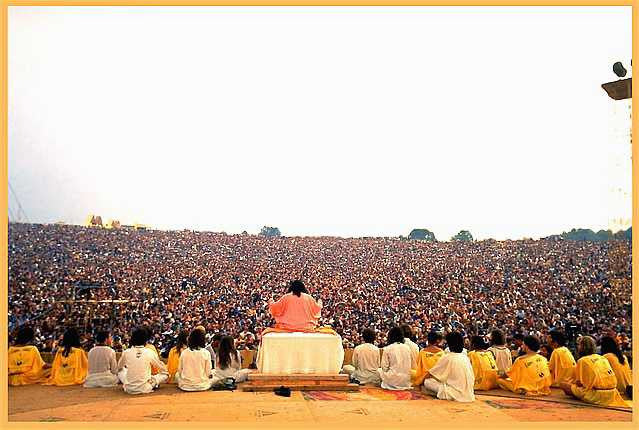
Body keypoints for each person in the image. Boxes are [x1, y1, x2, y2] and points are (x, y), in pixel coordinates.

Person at [560, 335, 629, 407]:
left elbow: (580, 383)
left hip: (598, 395)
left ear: (581, 347)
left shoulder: (582, 360)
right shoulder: (602, 358)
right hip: (613, 392)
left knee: (564, 384)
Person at [422, 331, 475, 402]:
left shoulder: (447, 357)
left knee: (428, 382)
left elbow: (430, 374)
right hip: (469, 394)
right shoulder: (465, 357)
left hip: (453, 393)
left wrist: (421, 382)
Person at [117, 327, 169, 394]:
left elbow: (119, 368)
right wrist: (153, 378)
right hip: (146, 387)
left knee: (121, 371)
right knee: (165, 374)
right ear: (145, 340)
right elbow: (163, 370)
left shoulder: (126, 352)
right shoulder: (149, 352)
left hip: (129, 388)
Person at [378, 326, 415, 390]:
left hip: (392, 381)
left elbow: (384, 368)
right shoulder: (407, 348)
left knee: (378, 370)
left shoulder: (388, 348)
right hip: (405, 381)